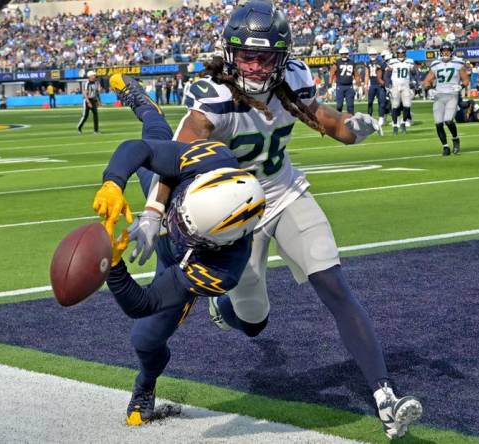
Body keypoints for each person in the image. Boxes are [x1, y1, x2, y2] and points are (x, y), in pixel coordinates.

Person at [135, 2, 420, 439]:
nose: (253, 64)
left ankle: (385, 395)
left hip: (285, 193)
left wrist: (350, 127)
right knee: (253, 322)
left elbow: (322, 117)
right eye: (246, 55)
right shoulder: (212, 93)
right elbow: (177, 158)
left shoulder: (294, 78)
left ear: (281, 57)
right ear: (230, 54)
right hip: (234, 216)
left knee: (333, 283)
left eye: (265, 56)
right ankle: (222, 304)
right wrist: (154, 213)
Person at [99, 73, 266, 426]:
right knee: (154, 139)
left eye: (185, 225)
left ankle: (145, 382)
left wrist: (112, 266)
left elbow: (142, 303)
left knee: (145, 338)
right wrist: (114, 182)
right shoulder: (211, 159)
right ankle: (145, 104)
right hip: (182, 190)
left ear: (217, 242)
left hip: (183, 262)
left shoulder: (222, 267)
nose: (171, 224)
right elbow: (137, 150)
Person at [422, 42, 470, 156]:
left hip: (452, 95)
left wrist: (461, 86)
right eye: (443, 51)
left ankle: (455, 139)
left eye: (447, 51)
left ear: (451, 51)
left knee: (448, 120)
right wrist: (429, 89)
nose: (445, 53)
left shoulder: (458, 63)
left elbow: (466, 80)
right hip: (439, 96)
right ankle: (445, 146)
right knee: (438, 123)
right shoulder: (436, 64)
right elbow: (426, 80)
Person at [387, 47, 414, 135]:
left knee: (407, 106)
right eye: (399, 53)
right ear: (397, 54)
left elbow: (413, 71)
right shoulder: (392, 62)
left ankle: (403, 123)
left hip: (406, 86)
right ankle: (395, 125)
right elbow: (387, 72)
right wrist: (388, 85)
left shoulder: (409, 61)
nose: (401, 55)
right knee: (395, 106)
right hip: (395, 86)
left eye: (402, 53)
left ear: (404, 53)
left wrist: (414, 82)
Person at [364, 47, 386, 133]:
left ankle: (381, 117)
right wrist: (365, 85)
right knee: (370, 102)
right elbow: (367, 74)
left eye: (374, 54)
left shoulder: (381, 63)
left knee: (381, 102)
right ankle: (369, 117)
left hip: (379, 85)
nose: (372, 56)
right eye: (371, 55)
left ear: (376, 55)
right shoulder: (367, 63)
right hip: (372, 84)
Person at [330, 46, 356, 115]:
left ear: (347, 54)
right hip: (340, 86)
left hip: (349, 86)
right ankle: (338, 120)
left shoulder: (352, 62)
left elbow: (356, 74)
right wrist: (330, 83)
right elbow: (332, 72)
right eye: (342, 54)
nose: (344, 55)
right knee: (339, 105)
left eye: (345, 53)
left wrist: (358, 84)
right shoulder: (337, 62)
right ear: (340, 54)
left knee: (350, 106)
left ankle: (351, 121)